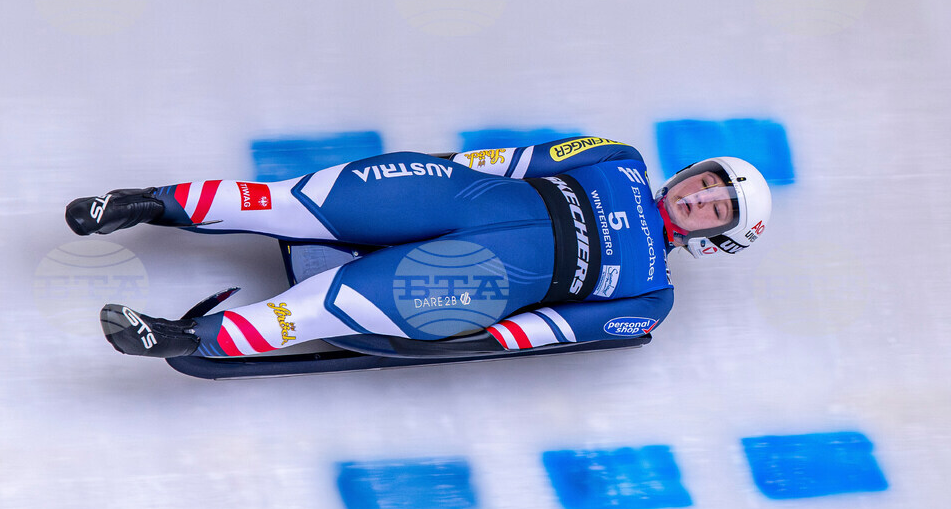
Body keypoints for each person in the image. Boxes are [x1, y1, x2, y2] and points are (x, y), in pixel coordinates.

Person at [64, 136, 771, 358]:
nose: (701, 197)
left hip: (473, 279)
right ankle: (140, 204)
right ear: (690, 172)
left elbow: (539, 332)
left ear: (717, 237)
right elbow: (507, 161)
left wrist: (457, 339)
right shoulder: (616, 158)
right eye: (708, 182)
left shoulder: (650, 300)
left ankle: (178, 337)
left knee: (321, 308)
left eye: (717, 209)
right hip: (453, 195)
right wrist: (436, 172)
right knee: (287, 199)